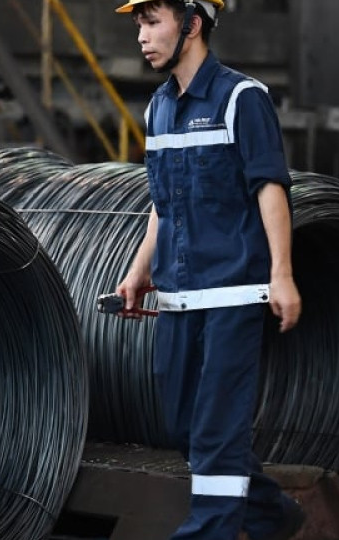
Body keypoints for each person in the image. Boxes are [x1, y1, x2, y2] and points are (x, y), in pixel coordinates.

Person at [113, 1, 305, 539]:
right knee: (184, 427)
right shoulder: (158, 108)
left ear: (192, 25)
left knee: (217, 430)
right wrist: (139, 269)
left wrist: (282, 274)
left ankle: (207, 531)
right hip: (178, 296)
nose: (142, 37)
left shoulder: (242, 99)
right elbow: (163, 202)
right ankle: (272, 515)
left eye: (153, 22)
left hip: (233, 295)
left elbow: (269, 186)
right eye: (139, 25)